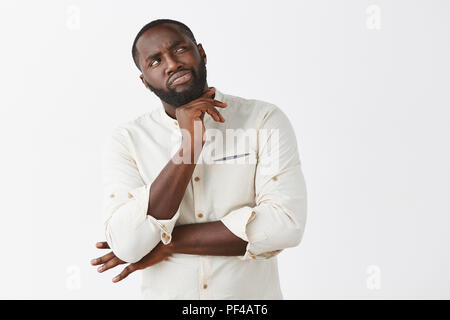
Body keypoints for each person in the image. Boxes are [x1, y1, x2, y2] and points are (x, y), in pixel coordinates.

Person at [90, 18, 307, 299]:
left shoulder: (262, 120)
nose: (171, 64)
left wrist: (167, 243)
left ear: (201, 52)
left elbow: (286, 226)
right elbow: (129, 246)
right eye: (155, 61)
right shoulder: (128, 140)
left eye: (179, 49)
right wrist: (189, 147)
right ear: (144, 82)